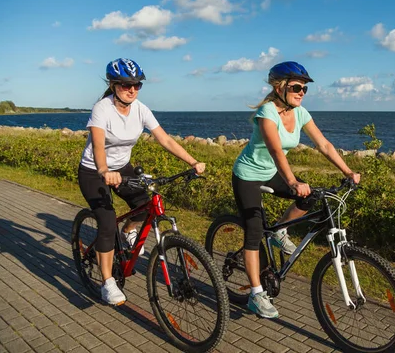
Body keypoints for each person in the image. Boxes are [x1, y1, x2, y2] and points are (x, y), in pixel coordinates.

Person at [232, 61, 361, 318]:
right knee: (254, 231)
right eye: (296, 87)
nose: (301, 92)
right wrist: (292, 182)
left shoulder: (300, 113)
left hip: (271, 174)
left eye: (305, 88)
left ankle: (280, 232)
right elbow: (275, 150)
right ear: (279, 87)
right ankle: (256, 295)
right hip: (247, 176)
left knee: (311, 198)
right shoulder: (267, 112)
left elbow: (323, 144)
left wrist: (347, 171)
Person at [78, 58, 205, 306]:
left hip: (122, 169)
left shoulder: (140, 109)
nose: (132, 90)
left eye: (137, 85)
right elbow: (98, 143)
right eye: (126, 85)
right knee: (106, 221)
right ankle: (107, 283)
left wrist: (193, 161)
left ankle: (128, 232)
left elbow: (165, 140)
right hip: (94, 170)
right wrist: (104, 169)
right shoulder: (102, 109)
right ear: (114, 85)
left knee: (145, 204)